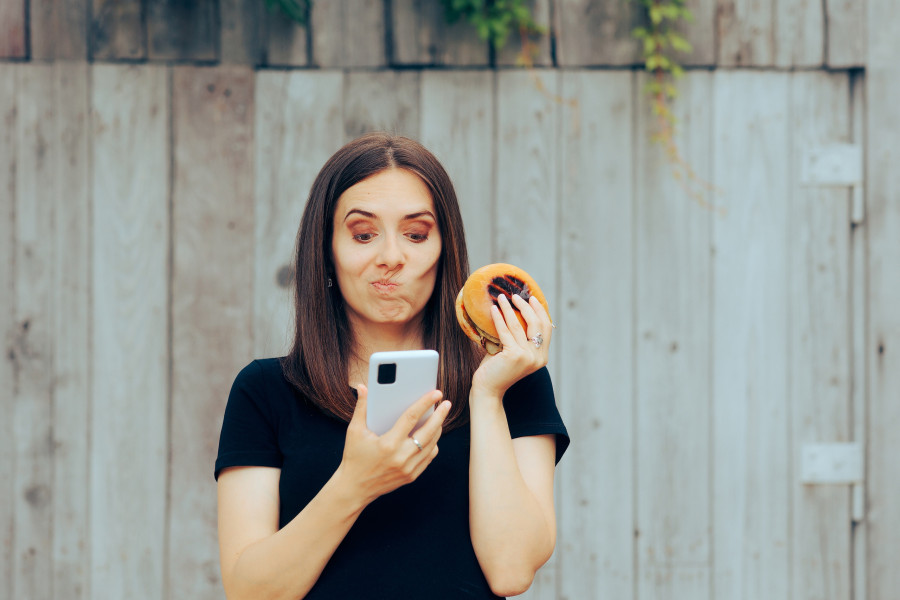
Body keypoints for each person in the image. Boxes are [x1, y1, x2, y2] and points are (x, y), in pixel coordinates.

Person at [215, 132, 569, 599]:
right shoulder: (265, 391)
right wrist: (355, 485)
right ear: (326, 250)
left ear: (445, 249)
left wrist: (487, 396)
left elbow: (512, 571)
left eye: (416, 235)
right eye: (363, 235)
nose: (391, 258)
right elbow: (249, 592)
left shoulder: (512, 378)